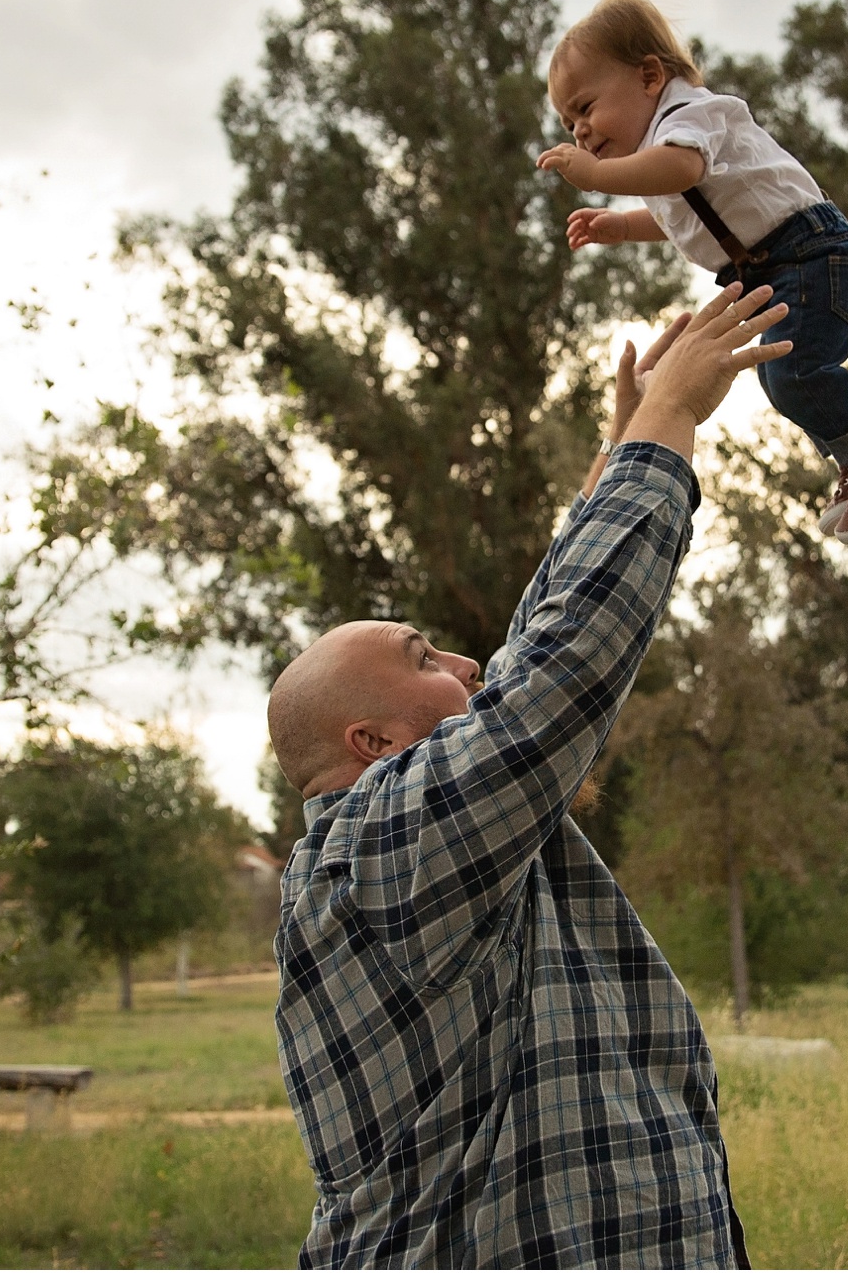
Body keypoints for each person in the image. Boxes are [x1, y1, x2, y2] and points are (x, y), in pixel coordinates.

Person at [267, 282, 789, 1268]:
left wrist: (615, 457)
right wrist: (669, 423)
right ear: (371, 743)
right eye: (425, 659)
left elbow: (522, 667)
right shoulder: (380, 845)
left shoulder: (410, 832)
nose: (464, 662)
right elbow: (551, 682)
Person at [537, 0, 848, 545]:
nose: (577, 129)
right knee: (779, 375)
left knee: (795, 374)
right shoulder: (662, 151)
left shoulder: (694, 115)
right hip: (778, 269)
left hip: (812, 255)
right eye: (567, 119)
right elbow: (679, 211)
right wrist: (622, 227)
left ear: (650, 77)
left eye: (585, 107)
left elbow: (680, 171)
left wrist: (599, 180)